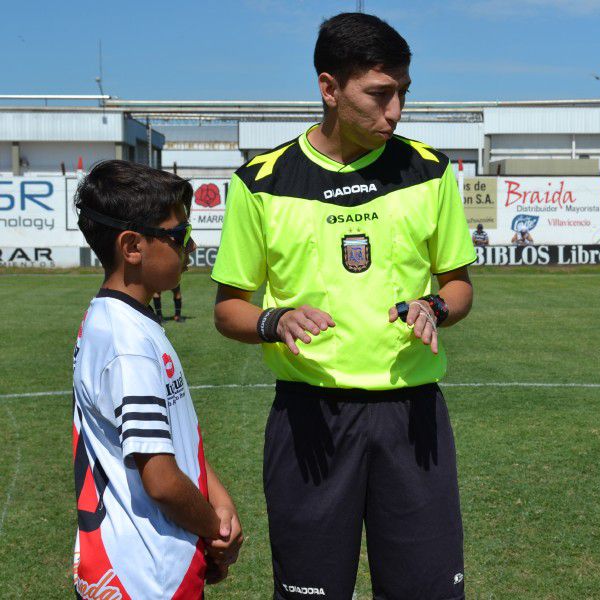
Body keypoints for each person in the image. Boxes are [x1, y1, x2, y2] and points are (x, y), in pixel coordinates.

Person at [211, 13, 475, 600]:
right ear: (329, 88)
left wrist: (436, 306)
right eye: (380, 94)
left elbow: (459, 286)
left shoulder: (429, 171)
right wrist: (273, 321)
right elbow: (229, 308)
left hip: (413, 418)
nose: (396, 111)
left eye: (403, 93)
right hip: (309, 418)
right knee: (310, 592)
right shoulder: (261, 182)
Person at [72, 160, 243, 599]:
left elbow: (171, 440)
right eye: (178, 235)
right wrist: (216, 532)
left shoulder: (124, 319)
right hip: (148, 575)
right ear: (132, 246)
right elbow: (162, 481)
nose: (190, 247)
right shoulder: (127, 343)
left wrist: (217, 498)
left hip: (150, 564)